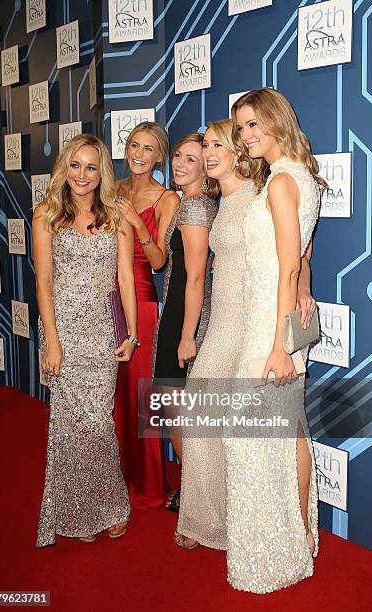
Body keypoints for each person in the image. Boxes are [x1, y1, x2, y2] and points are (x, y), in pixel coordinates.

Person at [175, 118, 317, 553]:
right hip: (225, 320)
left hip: (256, 320)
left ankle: (253, 524)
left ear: (239, 151)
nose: (207, 154)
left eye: (217, 145)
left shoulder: (262, 192)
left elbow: (298, 247)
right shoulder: (219, 203)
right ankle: (207, 519)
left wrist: (304, 290)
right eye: (205, 147)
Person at [225, 87, 327, 592]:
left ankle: (281, 547)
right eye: (240, 128)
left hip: (271, 327)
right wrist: (302, 291)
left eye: (251, 124)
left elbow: (289, 264)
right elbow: (303, 256)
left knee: (255, 439)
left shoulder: (283, 180)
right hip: (276, 320)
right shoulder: (300, 177)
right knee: (287, 432)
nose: (245, 136)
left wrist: (279, 347)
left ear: (275, 121)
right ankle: (299, 538)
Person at [33, 134, 137, 547]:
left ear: (102, 173)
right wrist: (53, 342)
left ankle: (110, 504)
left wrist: (131, 333)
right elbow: (43, 282)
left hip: (101, 333)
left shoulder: (115, 216)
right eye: (75, 165)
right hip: (63, 332)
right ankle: (79, 509)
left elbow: (125, 278)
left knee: (96, 422)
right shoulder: (47, 214)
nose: (82, 175)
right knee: (70, 425)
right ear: (65, 168)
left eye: (91, 167)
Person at [114, 121, 180, 509]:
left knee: (141, 399)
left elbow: (158, 261)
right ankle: (112, 479)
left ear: (159, 157)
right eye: (133, 145)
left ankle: (146, 486)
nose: (138, 154)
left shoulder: (166, 198)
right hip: (105, 298)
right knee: (113, 396)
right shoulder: (112, 188)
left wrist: (138, 224)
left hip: (141, 298)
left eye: (148, 149)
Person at [152, 132, 218, 512]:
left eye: (191, 159)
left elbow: (195, 277)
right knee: (169, 403)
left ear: (205, 168)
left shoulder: (195, 208)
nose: (179, 164)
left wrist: (187, 335)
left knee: (174, 404)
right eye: (178, 156)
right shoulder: (187, 203)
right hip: (176, 308)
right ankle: (195, 490)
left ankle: (197, 494)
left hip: (184, 312)